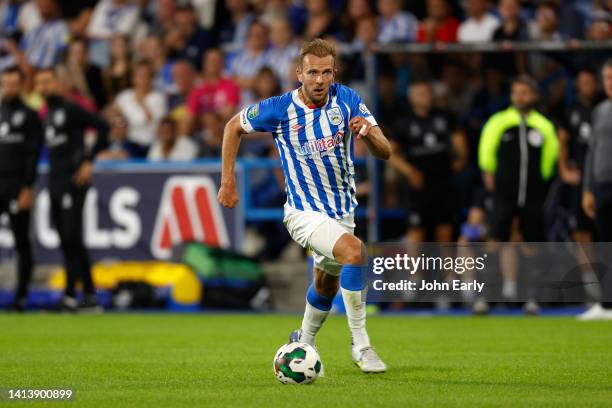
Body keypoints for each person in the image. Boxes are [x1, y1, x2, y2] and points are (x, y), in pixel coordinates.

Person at [218, 39, 391, 373]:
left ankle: (304, 341)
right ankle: (362, 346)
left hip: (342, 211)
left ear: (334, 73)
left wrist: (368, 133)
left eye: (326, 72)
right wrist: (227, 180)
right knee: (354, 252)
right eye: (312, 72)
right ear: (299, 74)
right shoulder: (280, 108)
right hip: (302, 212)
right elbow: (232, 127)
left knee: (325, 285)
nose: (319, 80)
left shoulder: (349, 100)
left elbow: (385, 152)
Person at [478, 75, 559, 314]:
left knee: (532, 244)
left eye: (525, 92)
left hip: (532, 194)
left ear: (534, 95)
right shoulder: (499, 121)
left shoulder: (543, 124)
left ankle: (532, 297)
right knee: (494, 242)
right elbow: (486, 154)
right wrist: (492, 181)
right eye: (516, 92)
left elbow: (549, 158)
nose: (520, 97)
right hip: (504, 193)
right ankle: (486, 297)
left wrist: (539, 183)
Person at [34, 67, 109, 313]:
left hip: (74, 181)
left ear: (57, 83)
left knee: (72, 237)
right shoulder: (47, 114)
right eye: (40, 83)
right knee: (68, 240)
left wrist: (89, 160)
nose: (44, 87)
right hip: (55, 182)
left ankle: (74, 295)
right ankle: (86, 296)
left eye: (47, 81)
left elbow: (103, 126)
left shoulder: (70, 109)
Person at [390, 80, 468, 243]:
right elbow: (389, 153)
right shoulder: (404, 123)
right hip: (418, 186)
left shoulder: (445, 116)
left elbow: (458, 138)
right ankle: (415, 270)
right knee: (416, 231)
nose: (425, 97)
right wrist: (410, 172)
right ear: (411, 98)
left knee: (445, 231)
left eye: (427, 93)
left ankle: (445, 269)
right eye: (420, 94)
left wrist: (461, 158)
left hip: (443, 182)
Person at [0, 67, 43, 312]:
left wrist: (28, 188)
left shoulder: (29, 115)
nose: (10, 87)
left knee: (21, 243)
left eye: (14, 83)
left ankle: (21, 297)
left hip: (17, 188)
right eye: (6, 83)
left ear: (21, 85)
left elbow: (32, 155)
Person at [580, 59, 612, 320]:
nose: (610, 83)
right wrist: (588, 188)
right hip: (602, 186)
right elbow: (592, 151)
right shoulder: (600, 110)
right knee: (603, 245)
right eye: (607, 78)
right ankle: (607, 305)